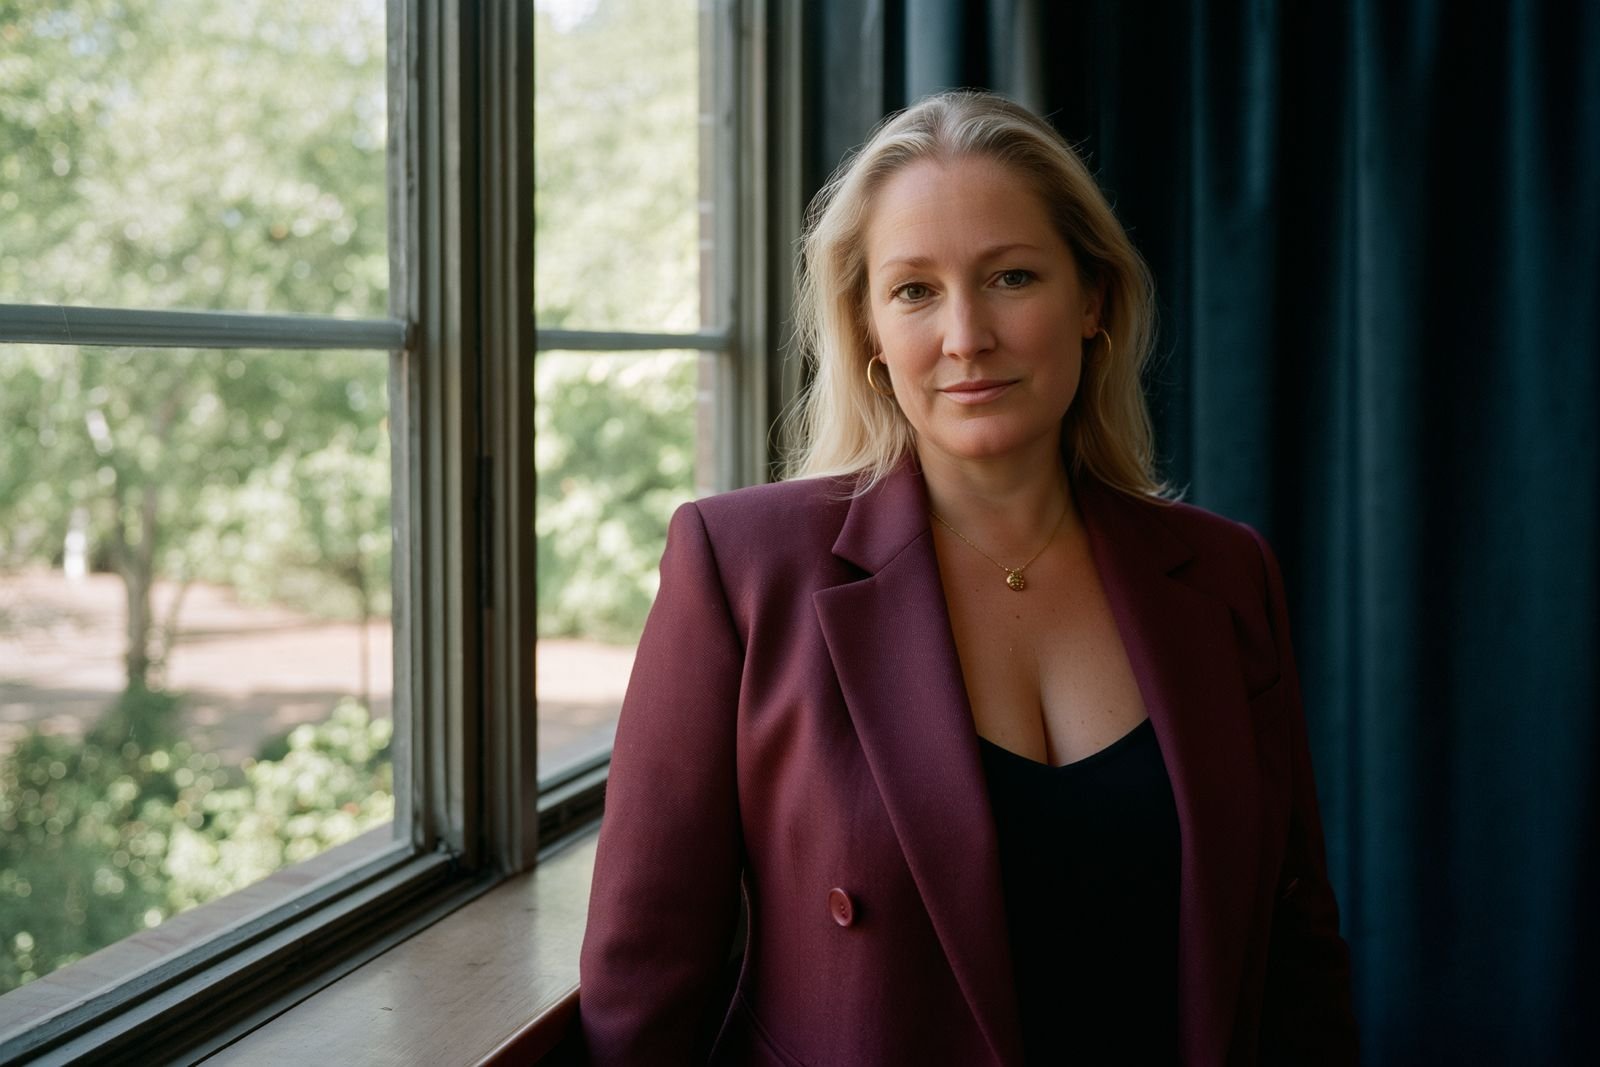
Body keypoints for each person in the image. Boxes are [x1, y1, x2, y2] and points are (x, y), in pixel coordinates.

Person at [578, 90, 1357, 1066]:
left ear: (1093, 301)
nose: (964, 335)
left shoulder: (1224, 572)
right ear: (864, 330)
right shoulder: (738, 568)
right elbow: (642, 983)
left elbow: (1296, 957)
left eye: (1011, 276)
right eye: (913, 290)